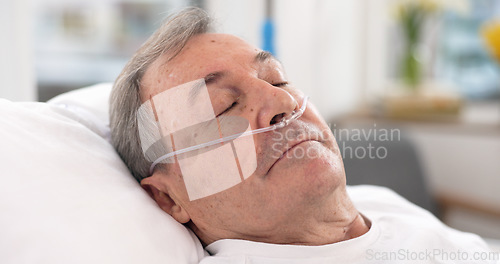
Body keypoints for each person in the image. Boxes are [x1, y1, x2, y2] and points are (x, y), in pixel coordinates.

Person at [109, 7, 496, 264]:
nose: (280, 100)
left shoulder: (379, 202)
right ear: (169, 197)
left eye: (277, 78)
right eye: (223, 107)